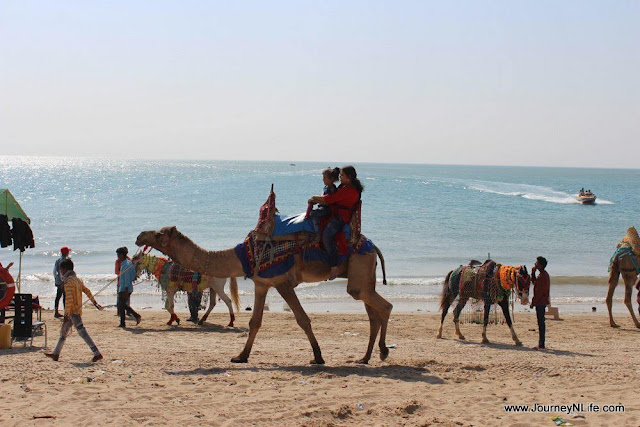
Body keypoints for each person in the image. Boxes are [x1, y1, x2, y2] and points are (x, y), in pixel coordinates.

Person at [308, 165, 363, 280]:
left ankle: (334, 266)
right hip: (336, 214)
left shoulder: (349, 190)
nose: (340, 177)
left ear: (348, 177)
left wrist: (314, 197)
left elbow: (329, 199)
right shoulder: (345, 186)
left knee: (326, 236)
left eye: (342, 175)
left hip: (341, 218)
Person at [45, 258, 104, 362]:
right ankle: (56, 354)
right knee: (63, 333)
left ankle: (97, 353)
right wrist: (95, 303)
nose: (60, 273)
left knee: (82, 333)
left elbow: (69, 299)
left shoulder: (68, 282)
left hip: (73, 312)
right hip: (76, 310)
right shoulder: (77, 279)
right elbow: (87, 291)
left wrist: (67, 315)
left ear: (66, 269)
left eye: (61, 270)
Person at [306, 167, 340, 240]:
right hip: (322, 207)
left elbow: (328, 201)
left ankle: (318, 233)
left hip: (328, 209)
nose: (323, 179)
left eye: (325, 178)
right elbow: (322, 198)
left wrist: (316, 200)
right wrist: (313, 201)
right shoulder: (325, 187)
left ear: (331, 179)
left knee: (313, 214)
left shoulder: (332, 189)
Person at [116, 247, 141, 328]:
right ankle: (136, 316)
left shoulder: (125, 265)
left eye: (119, 254)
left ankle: (123, 323)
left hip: (124, 288)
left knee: (121, 305)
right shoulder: (128, 263)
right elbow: (133, 275)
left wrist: (126, 290)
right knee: (122, 305)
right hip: (125, 287)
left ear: (123, 255)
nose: (118, 256)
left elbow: (127, 278)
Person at [530, 256, 550, 350]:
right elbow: (535, 283)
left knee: (541, 322)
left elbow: (538, 291)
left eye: (537, 263)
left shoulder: (542, 276)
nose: (535, 264)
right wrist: (533, 273)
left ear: (541, 265)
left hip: (540, 302)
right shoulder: (543, 274)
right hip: (541, 301)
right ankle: (541, 343)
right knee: (541, 322)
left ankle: (541, 344)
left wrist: (533, 302)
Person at [53, 246, 71, 318]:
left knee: (58, 296)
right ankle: (66, 313)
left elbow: (54, 271)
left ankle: (56, 312)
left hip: (58, 281)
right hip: (63, 281)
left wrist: (56, 279)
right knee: (65, 297)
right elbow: (61, 272)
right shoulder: (65, 261)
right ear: (66, 253)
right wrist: (63, 281)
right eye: (68, 252)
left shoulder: (58, 260)